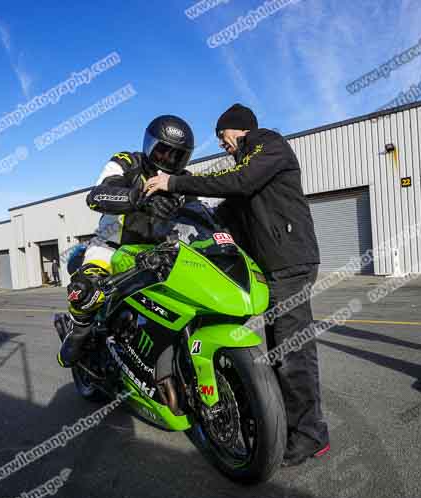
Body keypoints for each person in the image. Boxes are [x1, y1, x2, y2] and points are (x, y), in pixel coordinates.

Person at [145, 103, 329, 467]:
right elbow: (220, 215)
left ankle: (310, 436)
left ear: (237, 129)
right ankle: (281, 422)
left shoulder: (267, 144)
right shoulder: (247, 173)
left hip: (290, 262)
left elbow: (239, 181)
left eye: (222, 136)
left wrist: (175, 181)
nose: (221, 144)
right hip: (273, 267)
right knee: (279, 351)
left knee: (293, 354)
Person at [56, 115, 194, 369]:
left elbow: (201, 211)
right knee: (86, 291)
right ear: (149, 145)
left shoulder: (183, 180)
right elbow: (97, 194)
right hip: (110, 248)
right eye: (162, 152)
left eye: (176, 156)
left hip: (159, 253)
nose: (167, 160)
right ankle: (78, 331)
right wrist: (140, 198)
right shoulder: (127, 161)